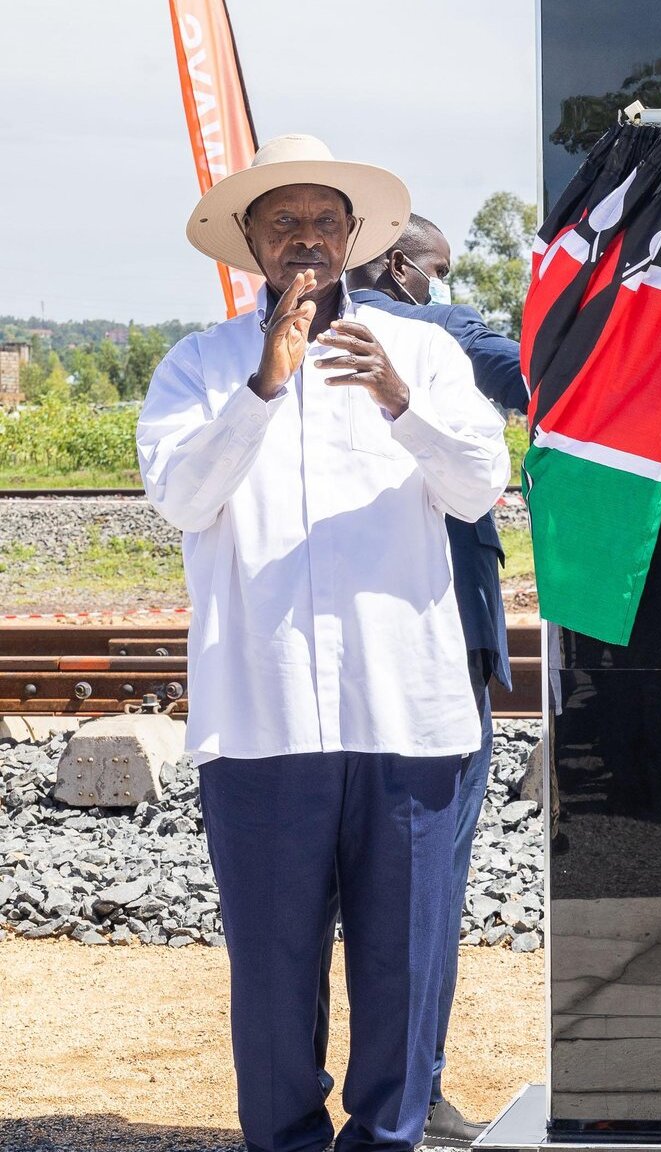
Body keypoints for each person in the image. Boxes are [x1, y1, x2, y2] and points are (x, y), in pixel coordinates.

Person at [137, 135, 510, 1152]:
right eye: (282, 224)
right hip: (262, 724)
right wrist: (263, 386)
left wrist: (399, 401)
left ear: (352, 238)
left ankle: (388, 1140)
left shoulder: (423, 355)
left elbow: (478, 487)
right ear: (249, 245)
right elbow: (180, 496)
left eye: (322, 222)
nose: (304, 239)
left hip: (407, 716)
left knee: (405, 964)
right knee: (272, 970)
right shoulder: (200, 367)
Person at [346, 215, 526, 1146]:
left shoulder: (307, 332)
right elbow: (537, 376)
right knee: (424, 886)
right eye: (439, 272)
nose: (444, 289)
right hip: (442, 647)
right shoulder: (432, 333)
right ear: (396, 266)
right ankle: (413, 1095)